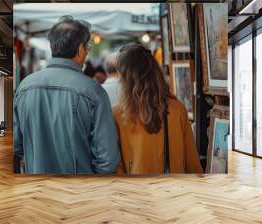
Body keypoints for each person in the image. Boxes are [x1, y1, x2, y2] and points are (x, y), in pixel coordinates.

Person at [13, 16, 120, 174]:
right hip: (79, 194)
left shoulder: (24, 88)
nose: (87, 53)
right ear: (79, 48)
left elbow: (17, 147)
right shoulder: (94, 92)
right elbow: (107, 160)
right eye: (87, 47)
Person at [113, 43, 203, 174]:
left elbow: (117, 168)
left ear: (124, 77)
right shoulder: (177, 109)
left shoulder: (117, 115)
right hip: (174, 189)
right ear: (155, 71)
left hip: (138, 190)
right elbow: (192, 164)